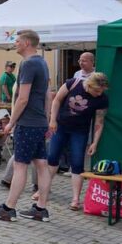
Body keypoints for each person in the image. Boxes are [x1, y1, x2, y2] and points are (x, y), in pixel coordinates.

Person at [0, 29, 53, 222]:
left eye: (17, 41)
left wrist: (11, 123)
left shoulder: (28, 63)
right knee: (41, 165)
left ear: (26, 43)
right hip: (39, 122)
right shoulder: (42, 62)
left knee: (20, 166)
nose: (14, 44)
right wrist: (47, 120)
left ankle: (8, 208)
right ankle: (40, 209)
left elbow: (23, 99)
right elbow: (48, 95)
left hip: (28, 123)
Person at [44, 71, 109, 211]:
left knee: (77, 163)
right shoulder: (72, 83)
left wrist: (95, 142)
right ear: (89, 85)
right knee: (52, 158)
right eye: (97, 90)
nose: (99, 94)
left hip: (79, 132)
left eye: (101, 91)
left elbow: (99, 121)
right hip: (60, 127)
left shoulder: (102, 99)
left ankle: (75, 199)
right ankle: (43, 190)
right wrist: (53, 120)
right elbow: (56, 100)